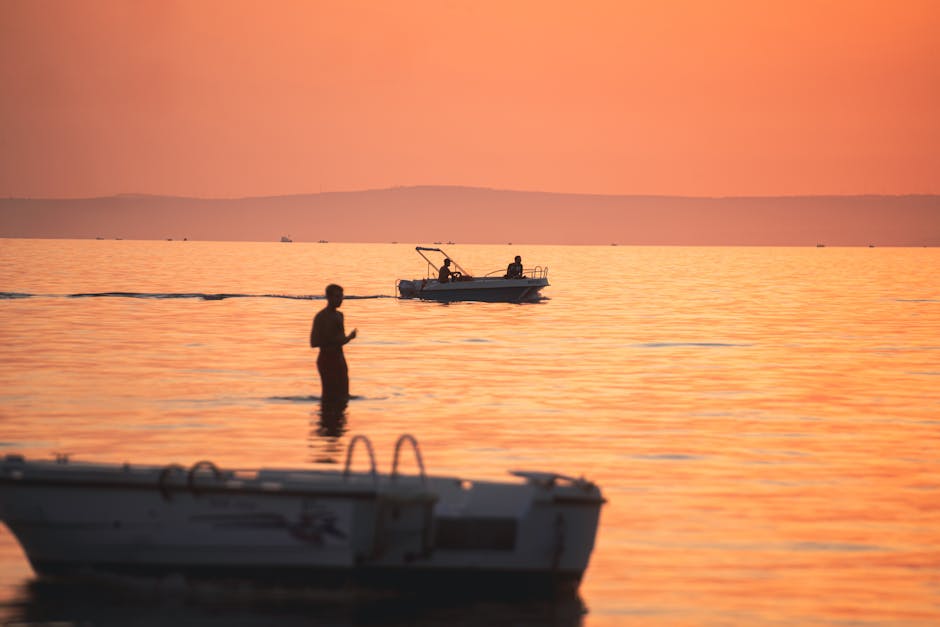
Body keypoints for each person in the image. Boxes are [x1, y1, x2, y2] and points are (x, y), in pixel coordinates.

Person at [310, 284, 357, 403]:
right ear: (328, 297)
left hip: (339, 358)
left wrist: (348, 338)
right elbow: (313, 342)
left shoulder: (339, 316)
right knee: (329, 395)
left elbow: (341, 339)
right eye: (337, 296)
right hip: (326, 358)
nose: (340, 299)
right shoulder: (321, 317)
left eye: (341, 296)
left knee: (343, 394)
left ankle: (340, 418)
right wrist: (343, 339)